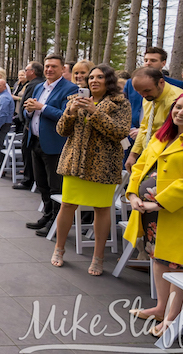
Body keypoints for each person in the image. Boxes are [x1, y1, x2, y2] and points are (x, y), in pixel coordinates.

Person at [124, 90, 183, 335]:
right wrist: (133, 194)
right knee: (158, 259)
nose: (181, 112)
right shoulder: (161, 135)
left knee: (179, 266)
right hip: (151, 214)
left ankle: (172, 318)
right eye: (179, 107)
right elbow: (140, 167)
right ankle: (160, 307)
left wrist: (159, 203)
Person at [50, 64, 131, 275]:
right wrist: (70, 112)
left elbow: (120, 132)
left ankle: (98, 258)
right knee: (67, 205)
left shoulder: (121, 104)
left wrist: (95, 112)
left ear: (109, 81)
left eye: (100, 77)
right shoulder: (73, 101)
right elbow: (61, 131)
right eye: (91, 77)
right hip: (75, 162)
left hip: (103, 164)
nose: (94, 80)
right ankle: (59, 249)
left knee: (102, 209)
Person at [22, 55, 78, 235]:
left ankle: (55, 220)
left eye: (54, 66)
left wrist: (41, 107)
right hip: (36, 140)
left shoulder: (70, 89)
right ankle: (47, 214)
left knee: (55, 186)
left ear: (63, 69)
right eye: (47, 66)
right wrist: (29, 110)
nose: (49, 70)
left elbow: (65, 116)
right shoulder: (39, 87)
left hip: (55, 143)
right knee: (41, 183)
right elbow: (31, 110)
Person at [125, 68, 183, 172]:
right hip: (147, 155)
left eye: (147, 91)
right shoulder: (148, 96)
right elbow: (145, 127)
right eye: (139, 92)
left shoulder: (177, 101)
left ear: (161, 82)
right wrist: (133, 155)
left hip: (167, 159)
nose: (143, 95)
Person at [124, 47, 183, 140]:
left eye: (153, 60)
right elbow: (125, 107)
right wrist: (132, 128)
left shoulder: (177, 85)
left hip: (162, 137)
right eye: (146, 60)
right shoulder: (131, 83)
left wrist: (145, 131)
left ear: (163, 63)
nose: (148, 63)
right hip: (132, 135)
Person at [12, 62, 46, 190]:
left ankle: (28, 180)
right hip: (28, 122)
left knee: (27, 152)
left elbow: (29, 104)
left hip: (29, 124)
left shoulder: (34, 84)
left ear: (32, 71)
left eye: (26, 70)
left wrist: (27, 122)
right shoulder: (32, 83)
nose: (24, 72)